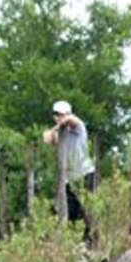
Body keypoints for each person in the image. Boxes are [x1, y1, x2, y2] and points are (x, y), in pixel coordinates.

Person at [41, 100, 97, 244]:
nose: (61, 117)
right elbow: (47, 138)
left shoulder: (78, 128)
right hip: (69, 180)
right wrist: (50, 133)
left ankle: (91, 244)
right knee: (68, 213)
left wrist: (56, 126)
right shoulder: (59, 134)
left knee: (87, 212)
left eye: (63, 114)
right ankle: (73, 245)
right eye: (57, 115)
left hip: (84, 175)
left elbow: (70, 120)